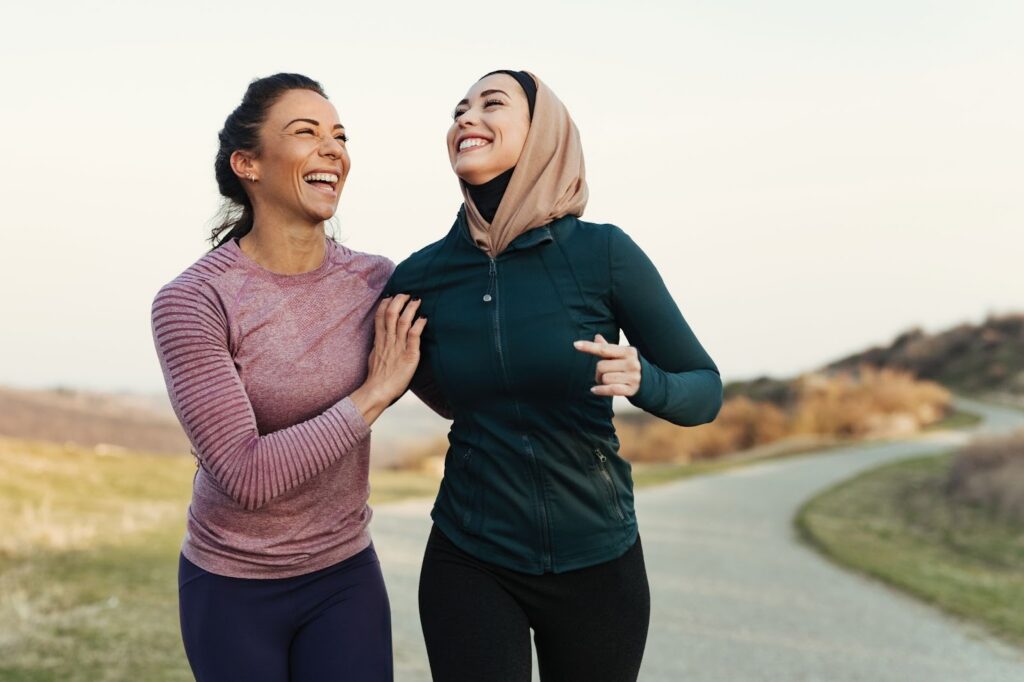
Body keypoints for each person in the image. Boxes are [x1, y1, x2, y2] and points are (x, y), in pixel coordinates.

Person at [385, 70, 723, 681]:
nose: (466, 118)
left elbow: (704, 389)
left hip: (597, 555)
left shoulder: (603, 254)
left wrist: (646, 380)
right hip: (471, 552)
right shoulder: (421, 276)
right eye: (459, 109)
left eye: (492, 104)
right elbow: (420, 381)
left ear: (543, 133)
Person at [150, 73, 423, 682]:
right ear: (247, 163)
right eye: (306, 133)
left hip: (344, 575)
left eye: (340, 136)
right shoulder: (193, 300)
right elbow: (245, 474)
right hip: (232, 587)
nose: (334, 149)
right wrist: (373, 394)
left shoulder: (379, 282)